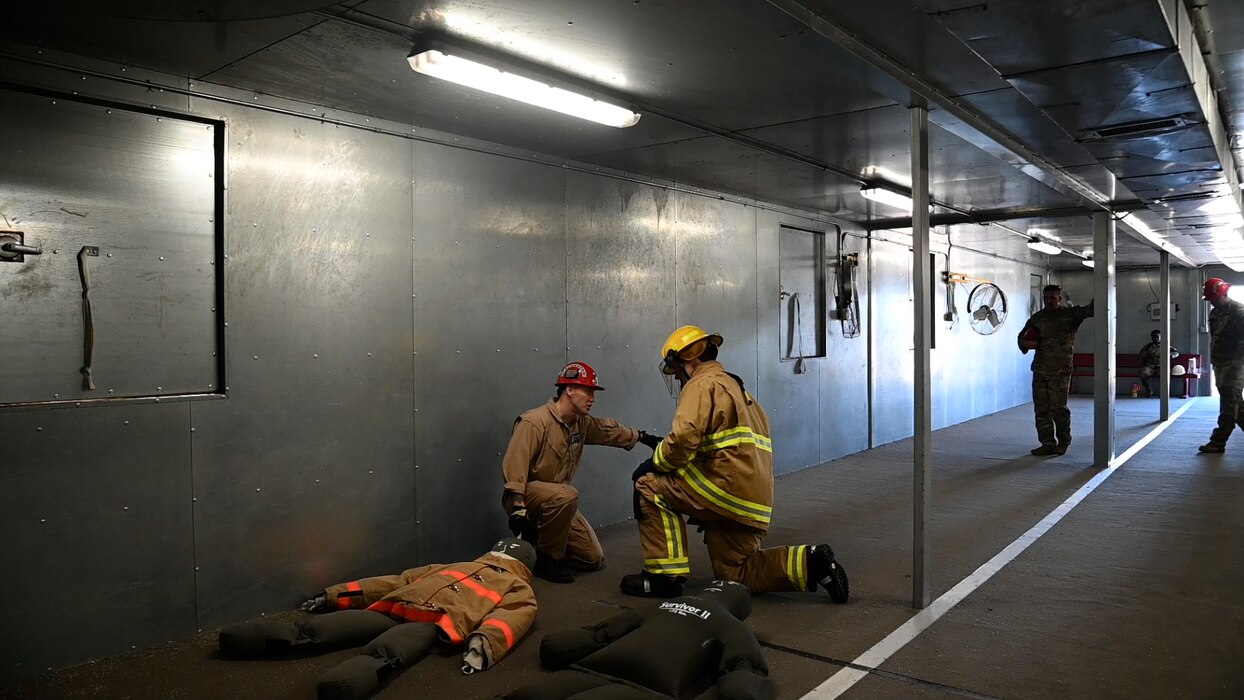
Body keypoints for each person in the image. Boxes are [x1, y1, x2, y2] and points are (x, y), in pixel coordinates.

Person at [620, 325, 849, 603]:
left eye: (678, 368)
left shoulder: (701, 384)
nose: (679, 376)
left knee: (648, 485)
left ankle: (662, 580)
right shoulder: (741, 391)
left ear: (690, 359)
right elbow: (722, 447)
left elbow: (683, 438)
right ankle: (813, 563)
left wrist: (655, 462)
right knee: (735, 574)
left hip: (723, 489)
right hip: (753, 500)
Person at [217, 537, 538, 700]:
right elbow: (511, 618)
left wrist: (483, 645)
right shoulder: (513, 585)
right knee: (359, 646)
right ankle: (248, 641)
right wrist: (336, 595)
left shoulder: (512, 584)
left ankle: (339, 685)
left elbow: (394, 581)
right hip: (401, 609)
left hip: (420, 620)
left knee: (376, 651)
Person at [502, 361, 662, 583]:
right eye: (587, 391)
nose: (592, 398)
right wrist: (518, 507)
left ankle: (538, 543)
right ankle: (547, 560)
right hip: (526, 497)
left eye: (593, 392)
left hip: (558, 502)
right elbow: (514, 466)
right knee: (567, 495)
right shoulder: (534, 421)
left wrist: (643, 437)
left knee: (592, 559)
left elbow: (608, 430)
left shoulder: (580, 424)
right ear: (568, 389)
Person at [502, 580, 768, 700]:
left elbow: (598, 635)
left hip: (591, 669)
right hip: (649, 689)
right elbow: (743, 675)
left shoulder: (659, 605)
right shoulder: (730, 625)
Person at [1016, 284, 1093, 456]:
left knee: (1059, 408)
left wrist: (1103, 284)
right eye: (1046, 298)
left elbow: (1091, 310)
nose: (1049, 301)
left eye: (1053, 297)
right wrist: (1025, 344)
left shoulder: (1069, 315)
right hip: (1040, 369)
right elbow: (1021, 337)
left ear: (1060, 298)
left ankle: (1064, 440)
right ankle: (1047, 443)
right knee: (1041, 409)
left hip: (1060, 371)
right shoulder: (1037, 318)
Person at [1199, 278, 1244, 453]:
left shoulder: (1239, 312)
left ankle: (1218, 441)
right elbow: (1215, 338)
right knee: (1233, 402)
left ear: (1223, 294)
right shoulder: (1214, 313)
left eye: (1214, 299)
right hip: (1219, 363)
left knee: (1229, 402)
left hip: (1235, 364)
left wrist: (1236, 365)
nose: (1213, 302)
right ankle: (1218, 441)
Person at [1137, 329, 1179, 397]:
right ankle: (1148, 390)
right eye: (1154, 337)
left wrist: (1172, 355)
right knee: (1143, 373)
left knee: (1164, 373)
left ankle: (1163, 392)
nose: (1156, 338)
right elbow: (1141, 354)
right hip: (1150, 366)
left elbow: (1176, 353)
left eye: (1157, 337)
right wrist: (1146, 354)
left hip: (1161, 366)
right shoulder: (1148, 346)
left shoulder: (1166, 346)